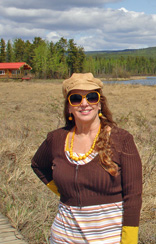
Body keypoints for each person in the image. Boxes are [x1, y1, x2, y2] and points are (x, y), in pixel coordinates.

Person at [31, 73, 142, 244]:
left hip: (108, 239)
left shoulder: (122, 140)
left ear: (99, 104)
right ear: (69, 108)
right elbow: (37, 165)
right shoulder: (56, 139)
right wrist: (64, 191)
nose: (84, 103)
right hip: (62, 237)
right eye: (75, 99)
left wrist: (129, 241)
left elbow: (133, 196)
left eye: (91, 97)